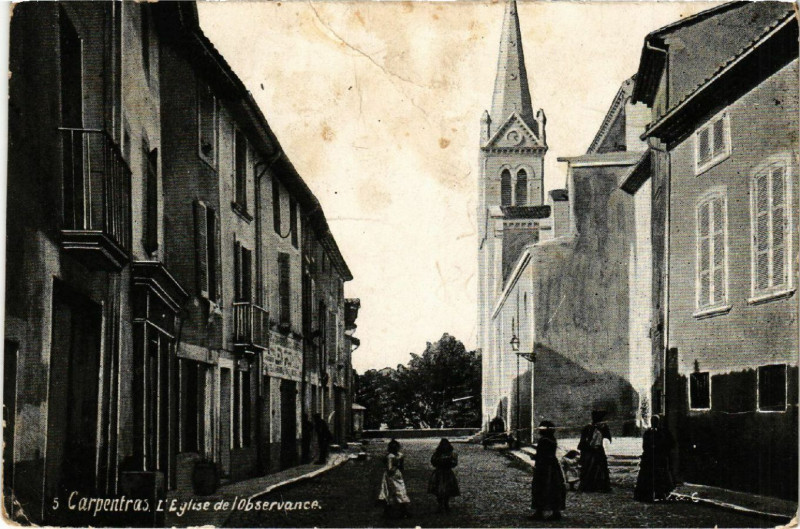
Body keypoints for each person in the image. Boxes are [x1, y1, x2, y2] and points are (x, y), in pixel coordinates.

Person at [634, 415, 675, 502]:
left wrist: (660, 448)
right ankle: (646, 495)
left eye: (655, 421)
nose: (653, 423)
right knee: (647, 477)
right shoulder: (647, 432)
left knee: (660, 477)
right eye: (652, 421)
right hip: (649, 458)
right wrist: (649, 448)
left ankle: (661, 495)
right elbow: (644, 444)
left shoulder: (663, 432)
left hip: (659, 458)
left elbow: (670, 443)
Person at [530, 421, 567, 521]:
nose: (539, 430)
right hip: (553, 466)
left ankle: (539, 512)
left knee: (541, 487)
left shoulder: (543, 440)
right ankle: (556, 512)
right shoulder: (552, 439)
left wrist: (534, 457)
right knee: (554, 488)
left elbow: (542, 454)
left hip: (544, 467)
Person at [578, 410, 612, 492]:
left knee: (595, 467)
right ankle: (594, 485)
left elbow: (607, 438)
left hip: (594, 450)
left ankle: (595, 485)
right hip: (592, 450)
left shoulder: (600, 427)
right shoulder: (590, 427)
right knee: (593, 466)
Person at [378, 439, 411, 518]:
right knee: (398, 491)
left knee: (392, 492)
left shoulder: (392, 456)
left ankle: (393, 511)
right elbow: (391, 469)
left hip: (394, 475)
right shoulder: (395, 456)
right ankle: (401, 511)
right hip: (393, 475)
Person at [428, 438, 460, 512]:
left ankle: (446, 503)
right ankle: (440, 504)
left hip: (447, 472)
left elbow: (454, 463)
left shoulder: (451, 454)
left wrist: (448, 461)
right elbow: (433, 461)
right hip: (439, 472)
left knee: (447, 489)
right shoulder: (437, 453)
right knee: (438, 490)